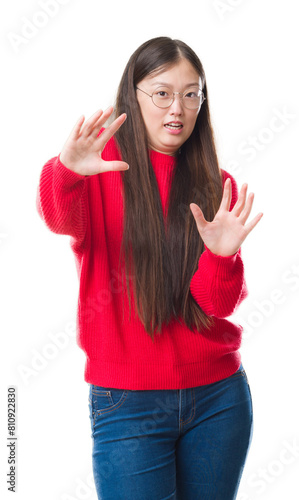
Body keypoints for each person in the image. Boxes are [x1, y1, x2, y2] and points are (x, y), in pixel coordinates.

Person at [36, 36, 263, 500]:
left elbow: (217, 305)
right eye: (161, 93)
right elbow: (58, 217)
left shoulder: (217, 184)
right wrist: (68, 170)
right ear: (132, 96)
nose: (176, 108)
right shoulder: (100, 172)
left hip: (220, 399)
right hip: (127, 403)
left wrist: (223, 257)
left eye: (190, 93)